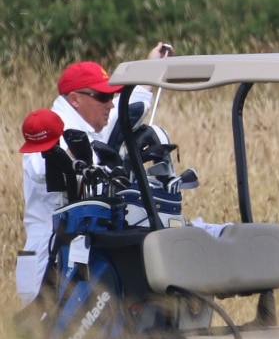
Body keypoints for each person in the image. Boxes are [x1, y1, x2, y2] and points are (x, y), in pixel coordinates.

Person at [15, 43, 169, 305]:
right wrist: (74, 159)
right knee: (46, 334)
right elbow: (39, 167)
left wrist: (152, 64)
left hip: (82, 247)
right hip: (48, 251)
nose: (110, 104)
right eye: (103, 97)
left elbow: (130, 106)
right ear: (75, 99)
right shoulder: (52, 129)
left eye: (112, 96)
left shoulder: (92, 123)